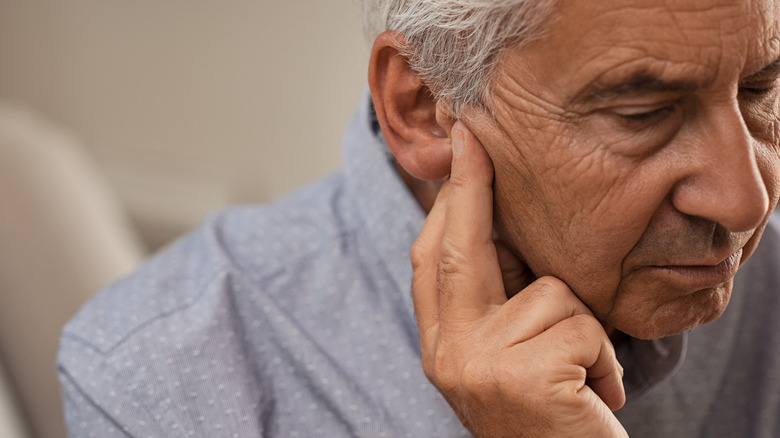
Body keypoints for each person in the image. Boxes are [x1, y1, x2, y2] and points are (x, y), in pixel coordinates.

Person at [58, 0, 780, 436]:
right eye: (643, 113)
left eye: (761, 90)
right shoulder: (160, 377)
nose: (745, 201)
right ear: (424, 109)